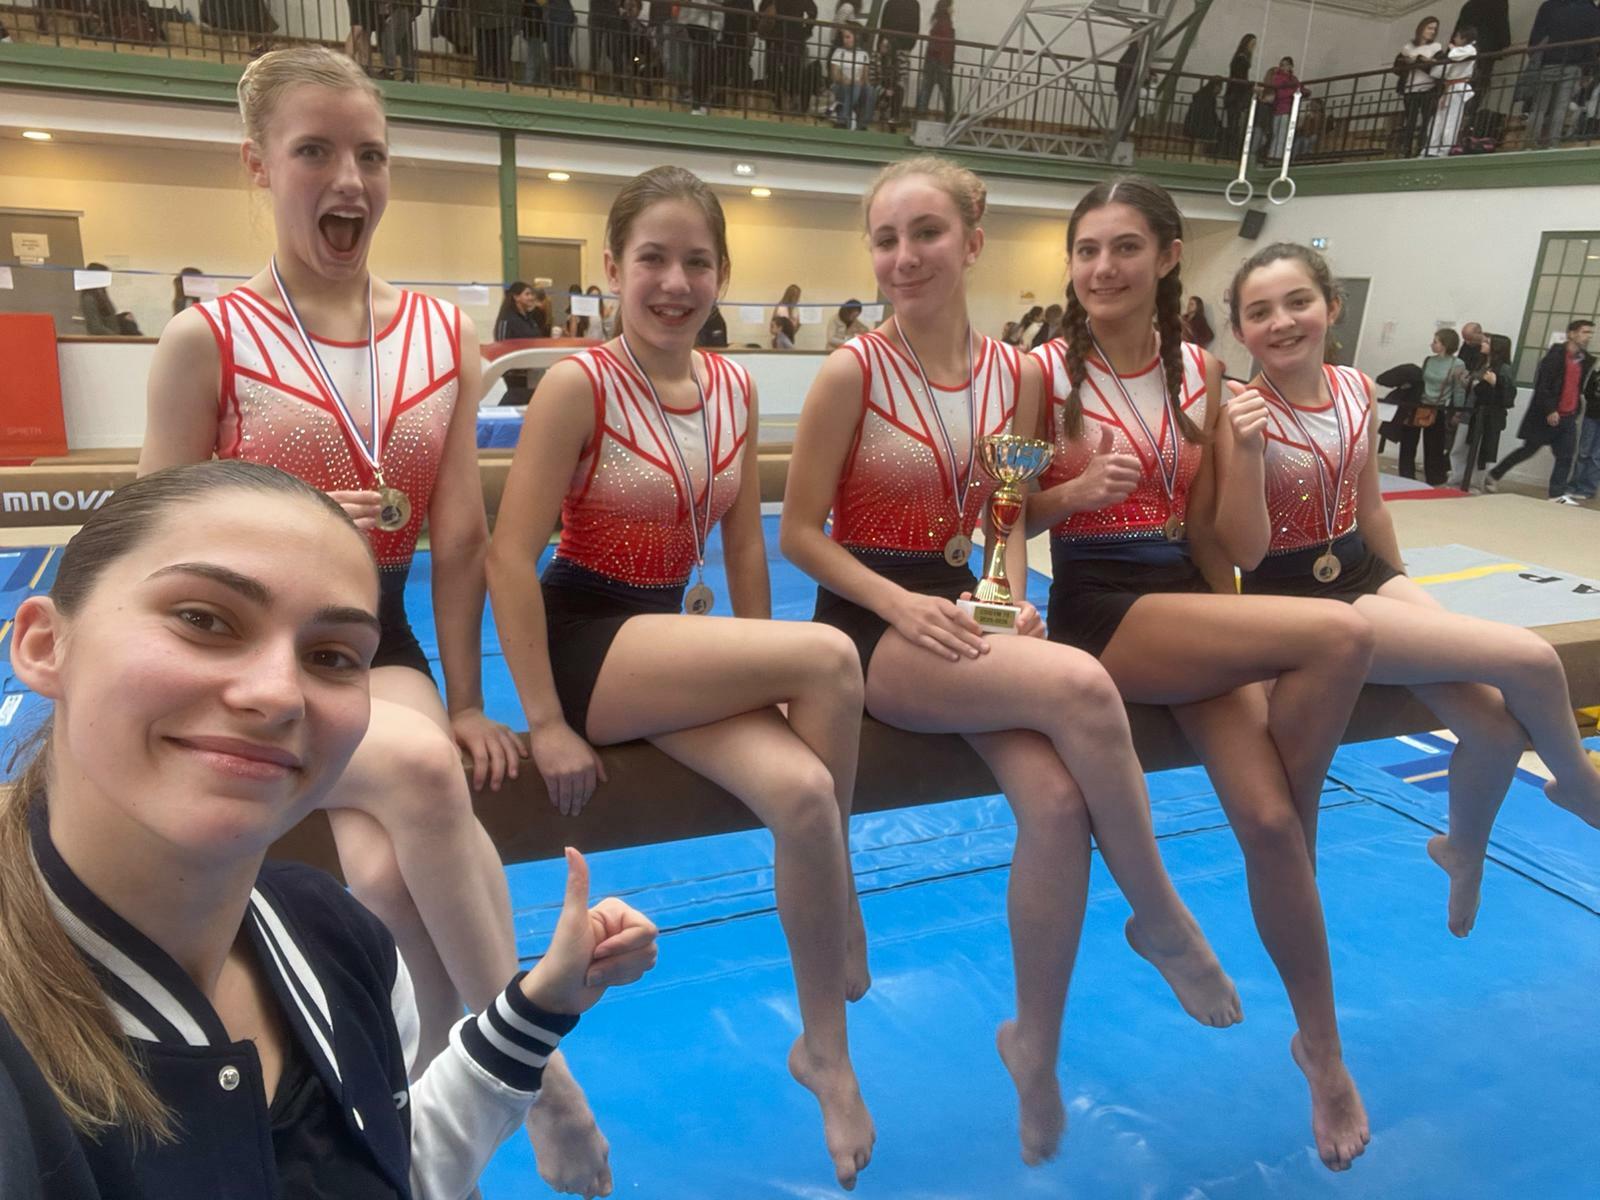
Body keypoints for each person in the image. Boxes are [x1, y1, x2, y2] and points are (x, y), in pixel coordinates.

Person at [137, 47, 616, 1197]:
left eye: (371, 155)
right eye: (315, 151)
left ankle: (417, 1146)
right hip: (244, 652)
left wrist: (467, 699)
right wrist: (278, 519)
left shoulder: (439, 337)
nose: (348, 179)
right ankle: (544, 1080)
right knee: (417, 776)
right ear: (259, 166)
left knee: (394, 884)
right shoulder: (209, 339)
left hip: (373, 635)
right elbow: (151, 553)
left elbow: (457, 537)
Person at [0, 460, 658, 1198]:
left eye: (331, 657)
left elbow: (380, 1167)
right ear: (44, 644)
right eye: (202, 619)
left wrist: (534, 1015)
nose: (278, 694)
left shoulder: (340, 938)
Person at [781, 155, 1238, 1169]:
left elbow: (1003, 513)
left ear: (973, 242)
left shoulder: (1019, 375)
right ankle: (1162, 918)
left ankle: (1034, 1044)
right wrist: (903, 605)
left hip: (965, 618)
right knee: (1082, 681)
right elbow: (802, 534)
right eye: (887, 239)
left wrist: (1009, 598)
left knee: (1061, 807)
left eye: (927, 233)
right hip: (873, 626)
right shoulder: (853, 370)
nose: (905, 257)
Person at [485, 164, 876, 1191]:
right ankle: (847, 901)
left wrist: (751, 665)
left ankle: (825, 1051)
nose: (673, 282)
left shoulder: (734, 389)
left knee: (802, 792)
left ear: (722, 275)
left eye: (696, 262)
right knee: (830, 655)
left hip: (669, 640)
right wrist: (544, 721)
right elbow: (507, 556)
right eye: (651, 259)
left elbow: (744, 545)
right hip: (589, 639)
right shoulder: (579, 384)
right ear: (613, 269)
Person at [1027, 176, 1376, 1173]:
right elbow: (996, 509)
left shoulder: (1203, 372)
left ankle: (1323, 1053)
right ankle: (1303, 820)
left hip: (1190, 599)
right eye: (1087, 249)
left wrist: (1245, 465)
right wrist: (1068, 495)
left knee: (1264, 824)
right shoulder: (1040, 372)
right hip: (1101, 607)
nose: (1103, 268)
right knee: (1340, 637)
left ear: (1169, 256)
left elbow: (1227, 540)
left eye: (1125, 247)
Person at [1222, 241, 1600, 936]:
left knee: (1494, 731)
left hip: (1367, 576)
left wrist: (1412, 600)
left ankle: (1463, 852)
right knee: (1531, 658)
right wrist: (1246, 451)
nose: (1281, 321)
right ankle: (1577, 782)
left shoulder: (1354, 388)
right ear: (1240, 330)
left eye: (1298, 302)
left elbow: (1369, 506)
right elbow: (1244, 553)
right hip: (1295, 601)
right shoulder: (1242, 414)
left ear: (1332, 307)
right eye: (1259, 311)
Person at [1485, 318, 1594, 496]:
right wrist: (1550, 409)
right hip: (1547, 414)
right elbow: (1543, 385)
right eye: (1585, 332)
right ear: (1572, 334)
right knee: (1529, 450)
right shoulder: (1555, 357)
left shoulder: (1584, 360)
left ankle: (1556, 495)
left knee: (1565, 456)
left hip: (1569, 415)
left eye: (1591, 333)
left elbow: (1577, 387)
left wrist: (1575, 410)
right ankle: (1495, 474)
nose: (1588, 336)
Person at [1524, 0, 1600, 148]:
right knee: (1561, 107)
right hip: (1573, 64)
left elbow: (1536, 37)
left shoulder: (1552, 7)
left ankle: (1529, 143)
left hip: (1548, 62)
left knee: (1539, 106)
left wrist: (1535, 55)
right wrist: (1587, 69)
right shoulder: (1592, 12)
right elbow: (1592, 44)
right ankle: (1553, 143)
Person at [1417, 327, 1470, 486]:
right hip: (1423, 403)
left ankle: (1435, 477)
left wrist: (1458, 411)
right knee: (1420, 440)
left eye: (1436, 342)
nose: (1432, 344)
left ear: (1445, 344)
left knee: (1436, 444)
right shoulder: (1429, 360)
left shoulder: (1457, 363)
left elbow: (1459, 389)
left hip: (1441, 407)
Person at [1422, 24, 1476, 156]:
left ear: (1464, 38)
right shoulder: (1456, 53)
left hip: (1458, 87)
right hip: (1449, 87)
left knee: (1451, 120)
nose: (1455, 39)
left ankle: (1445, 149)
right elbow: (1438, 72)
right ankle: (1431, 148)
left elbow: (1455, 55)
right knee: (1437, 120)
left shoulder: (1470, 50)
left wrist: (1453, 49)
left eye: (1457, 36)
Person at [1394, 16, 1442, 156]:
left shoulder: (1436, 47)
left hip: (1428, 89)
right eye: (1429, 28)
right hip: (1410, 89)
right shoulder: (1408, 47)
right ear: (1421, 28)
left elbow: (1439, 68)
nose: (1432, 31)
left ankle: (1421, 149)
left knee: (1426, 120)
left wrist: (1419, 61)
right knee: (1410, 121)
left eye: (1435, 29)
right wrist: (1408, 62)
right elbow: (1396, 68)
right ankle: (1407, 150)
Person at [1557, 350, 1600, 502]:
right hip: (1592, 415)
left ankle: (1588, 489)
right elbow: (1587, 391)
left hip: (1594, 414)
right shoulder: (1596, 370)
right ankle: (1573, 485)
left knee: (1596, 456)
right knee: (1583, 452)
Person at [495, 281, 545, 406]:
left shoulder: (529, 319)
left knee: (529, 398)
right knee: (516, 396)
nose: (531, 297)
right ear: (516, 297)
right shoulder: (507, 318)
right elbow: (501, 343)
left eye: (532, 294)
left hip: (531, 369)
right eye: (527, 294)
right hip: (515, 370)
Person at [830, 24, 875, 129]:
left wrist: (861, 82)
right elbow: (835, 76)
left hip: (858, 85)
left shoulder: (863, 54)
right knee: (853, 87)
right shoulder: (838, 52)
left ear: (856, 37)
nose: (845, 40)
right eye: (843, 38)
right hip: (841, 85)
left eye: (848, 37)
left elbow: (865, 77)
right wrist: (847, 80)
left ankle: (862, 124)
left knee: (869, 90)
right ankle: (843, 121)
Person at [915, 0, 954, 122]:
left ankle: (920, 114)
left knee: (926, 87)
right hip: (940, 60)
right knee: (947, 91)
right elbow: (947, 44)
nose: (953, 10)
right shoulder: (945, 22)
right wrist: (948, 61)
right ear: (947, 8)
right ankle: (949, 116)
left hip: (932, 59)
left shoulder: (937, 21)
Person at [1265, 56, 1306, 163]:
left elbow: (1300, 89)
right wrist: (1293, 91)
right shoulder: (1278, 77)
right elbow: (1280, 93)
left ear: (1291, 66)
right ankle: (1275, 158)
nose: (1283, 67)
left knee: (1282, 135)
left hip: (1287, 110)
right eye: (1282, 65)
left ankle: (1276, 157)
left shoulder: (1293, 79)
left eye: (1286, 65)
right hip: (1280, 109)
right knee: (1278, 135)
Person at [1222, 33, 1256, 155]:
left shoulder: (1239, 57)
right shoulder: (1242, 59)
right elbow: (1240, 78)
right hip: (1236, 96)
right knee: (1234, 124)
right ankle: (1230, 151)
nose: (1253, 47)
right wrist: (1250, 87)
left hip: (1234, 95)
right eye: (1252, 44)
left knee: (1233, 123)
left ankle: (1229, 150)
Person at [78, 263, 119, 336]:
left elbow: (109, 317)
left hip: (111, 338)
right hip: (103, 340)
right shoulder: (89, 299)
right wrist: (116, 337)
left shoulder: (102, 295)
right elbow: (95, 327)